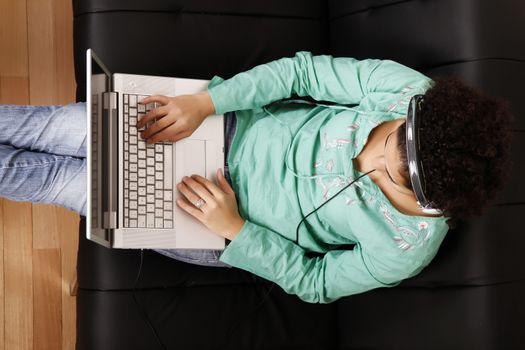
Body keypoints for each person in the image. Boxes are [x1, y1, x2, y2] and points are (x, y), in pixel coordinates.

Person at [0, 51, 513, 303]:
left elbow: (316, 283)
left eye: (391, 179)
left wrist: (237, 230)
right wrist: (206, 101)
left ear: (430, 200)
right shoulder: (407, 88)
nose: (368, 162)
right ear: (417, 112)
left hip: (214, 220)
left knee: (50, 182)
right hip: (215, 126)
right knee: (48, 127)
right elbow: (302, 74)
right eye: (389, 139)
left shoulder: (407, 247)